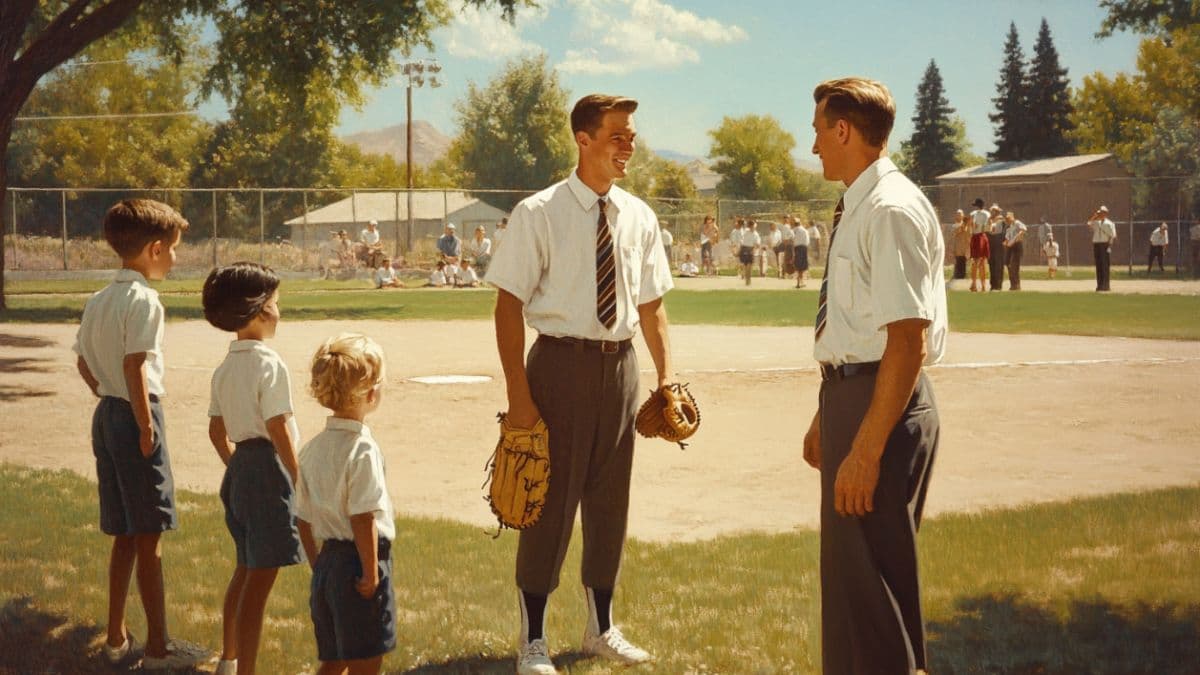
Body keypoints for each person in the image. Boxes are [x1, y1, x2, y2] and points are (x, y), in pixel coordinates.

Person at [485, 93, 675, 675]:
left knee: (609, 502)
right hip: (558, 367)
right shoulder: (538, 212)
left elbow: (652, 307)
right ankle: (534, 640)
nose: (629, 146)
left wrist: (666, 379)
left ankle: (601, 628)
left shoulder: (639, 215)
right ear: (583, 139)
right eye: (617, 135)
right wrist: (519, 396)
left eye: (632, 136)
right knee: (547, 499)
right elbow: (507, 306)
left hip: (620, 367)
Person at [803, 77, 946, 675]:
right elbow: (857, 325)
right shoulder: (863, 202)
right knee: (853, 580)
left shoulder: (887, 209)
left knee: (874, 584)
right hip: (855, 395)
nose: (814, 147)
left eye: (818, 132)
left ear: (844, 131)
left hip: (879, 404)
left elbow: (905, 341)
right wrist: (827, 410)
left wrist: (862, 449)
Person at [73, 199, 211, 670]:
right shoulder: (145, 300)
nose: (176, 257)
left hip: (107, 413)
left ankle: (116, 636)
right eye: (173, 249)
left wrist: (105, 393)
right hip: (136, 414)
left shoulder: (99, 298)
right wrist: (145, 424)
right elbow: (136, 363)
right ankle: (158, 647)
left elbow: (82, 362)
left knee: (124, 533)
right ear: (154, 249)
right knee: (149, 534)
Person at [202, 263, 302, 675]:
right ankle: (246, 670)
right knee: (259, 582)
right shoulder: (268, 363)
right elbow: (278, 425)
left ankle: (228, 659)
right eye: (276, 303)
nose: (279, 311)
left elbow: (215, 431)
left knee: (244, 569)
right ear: (260, 310)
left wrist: (236, 466)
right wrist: (297, 477)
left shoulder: (225, 367)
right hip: (266, 468)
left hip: (242, 467)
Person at [296, 333, 396, 675]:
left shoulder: (311, 449)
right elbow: (363, 515)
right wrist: (370, 573)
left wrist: (318, 564)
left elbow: (302, 519)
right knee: (366, 659)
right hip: (358, 561)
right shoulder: (362, 449)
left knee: (336, 657)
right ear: (370, 393)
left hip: (328, 565)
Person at [1087, 205, 1117, 291]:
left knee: (1105, 266)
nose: (1100, 214)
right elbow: (1088, 223)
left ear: (1106, 213)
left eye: (1101, 213)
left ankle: (1106, 285)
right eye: (1099, 212)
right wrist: (1094, 216)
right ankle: (1099, 285)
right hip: (1097, 244)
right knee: (1099, 265)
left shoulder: (1110, 223)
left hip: (1105, 245)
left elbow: (1113, 236)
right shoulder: (1096, 222)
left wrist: (1110, 246)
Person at [968, 198, 990, 292]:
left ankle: (974, 284)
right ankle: (983, 285)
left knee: (975, 262)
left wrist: (973, 226)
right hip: (983, 236)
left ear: (977, 206)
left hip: (977, 237)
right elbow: (987, 226)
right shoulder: (987, 214)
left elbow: (972, 225)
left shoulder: (974, 214)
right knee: (982, 263)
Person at [1002, 211, 1027, 290]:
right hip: (1010, 247)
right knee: (1008, 264)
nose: (1007, 219)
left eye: (1009, 218)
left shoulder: (1017, 223)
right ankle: (1013, 284)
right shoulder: (1009, 227)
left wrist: (1015, 238)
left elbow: (1023, 230)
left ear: (1012, 217)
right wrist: (1005, 243)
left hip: (1017, 246)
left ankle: (1017, 284)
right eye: (1006, 218)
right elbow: (1007, 239)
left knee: (1014, 266)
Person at [986, 203, 1005, 291]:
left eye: (994, 211)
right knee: (991, 264)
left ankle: (998, 284)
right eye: (991, 211)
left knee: (998, 264)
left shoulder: (1001, 221)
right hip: (991, 243)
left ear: (997, 212)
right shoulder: (989, 220)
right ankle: (993, 284)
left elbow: (1000, 233)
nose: (992, 212)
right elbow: (987, 231)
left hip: (998, 244)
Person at [740, 219, 761, 285]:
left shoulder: (756, 234)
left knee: (749, 266)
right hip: (744, 248)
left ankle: (748, 279)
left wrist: (753, 250)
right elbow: (741, 240)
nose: (753, 227)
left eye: (754, 226)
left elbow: (757, 244)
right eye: (752, 226)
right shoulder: (745, 231)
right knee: (746, 266)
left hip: (750, 249)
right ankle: (747, 279)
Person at [951, 210, 970, 281]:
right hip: (958, 247)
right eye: (957, 214)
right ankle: (957, 276)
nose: (959, 215)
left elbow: (968, 234)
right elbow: (956, 232)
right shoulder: (955, 225)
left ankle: (963, 277)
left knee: (964, 263)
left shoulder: (967, 225)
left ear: (963, 215)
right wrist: (963, 225)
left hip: (965, 247)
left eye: (960, 214)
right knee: (958, 262)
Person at [793, 215, 811, 288]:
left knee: (798, 265)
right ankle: (801, 281)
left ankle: (799, 282)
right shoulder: (804, 230)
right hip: (803, 248)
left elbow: (792, 239)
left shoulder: (793, 230)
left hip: (796, 248)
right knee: (802, 266)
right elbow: (807, 241)